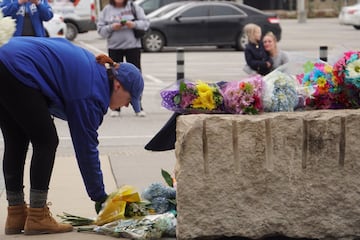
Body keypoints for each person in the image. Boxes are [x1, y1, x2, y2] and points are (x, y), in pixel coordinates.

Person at [0, 37, 144, 235]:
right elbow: (86, 149)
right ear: (118, 85)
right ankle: (37, 216)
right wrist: (101, 197)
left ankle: (16, 213)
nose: (127, 106)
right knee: (46, 141)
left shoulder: (96, 73)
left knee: (16, 140)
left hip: (7, 59)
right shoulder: (92, 92)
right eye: (129, 100)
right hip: (19, 67)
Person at [97, 0, 149, 117]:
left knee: (135, 76)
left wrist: (133, 24)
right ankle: (116, 107)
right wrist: (112, 27)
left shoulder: (134, 7)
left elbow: (145, 23)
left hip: (133, 46)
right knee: (114, 77)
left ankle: (138, 105)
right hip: (114, 47)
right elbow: (100, 30)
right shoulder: (107, 10)